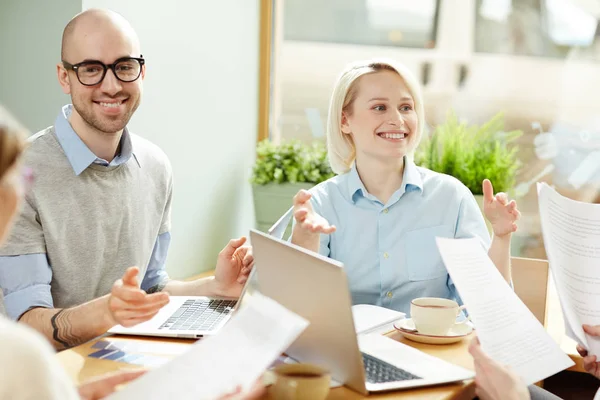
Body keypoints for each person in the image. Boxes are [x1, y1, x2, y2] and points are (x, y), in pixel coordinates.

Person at [0, 8, 253, 350]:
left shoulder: (156, 166)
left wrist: (214, 288)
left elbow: (151, 288)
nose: (112, 85)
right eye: (91, 69)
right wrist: (105, 312)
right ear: (64, 77)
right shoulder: (18, 175)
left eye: (124, 66)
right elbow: (25, 324)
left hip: (125, 356)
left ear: (142, 71)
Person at [290, 59, 520, 315]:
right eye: (379, 107)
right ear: (345, 120)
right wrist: (305, 239)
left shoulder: (450, 198)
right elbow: (301, 311)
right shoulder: (321, 204)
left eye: (406, 107)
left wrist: (501, 236)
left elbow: (489, 307)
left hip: (432, 350)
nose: (397, 120)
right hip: (352, 351)